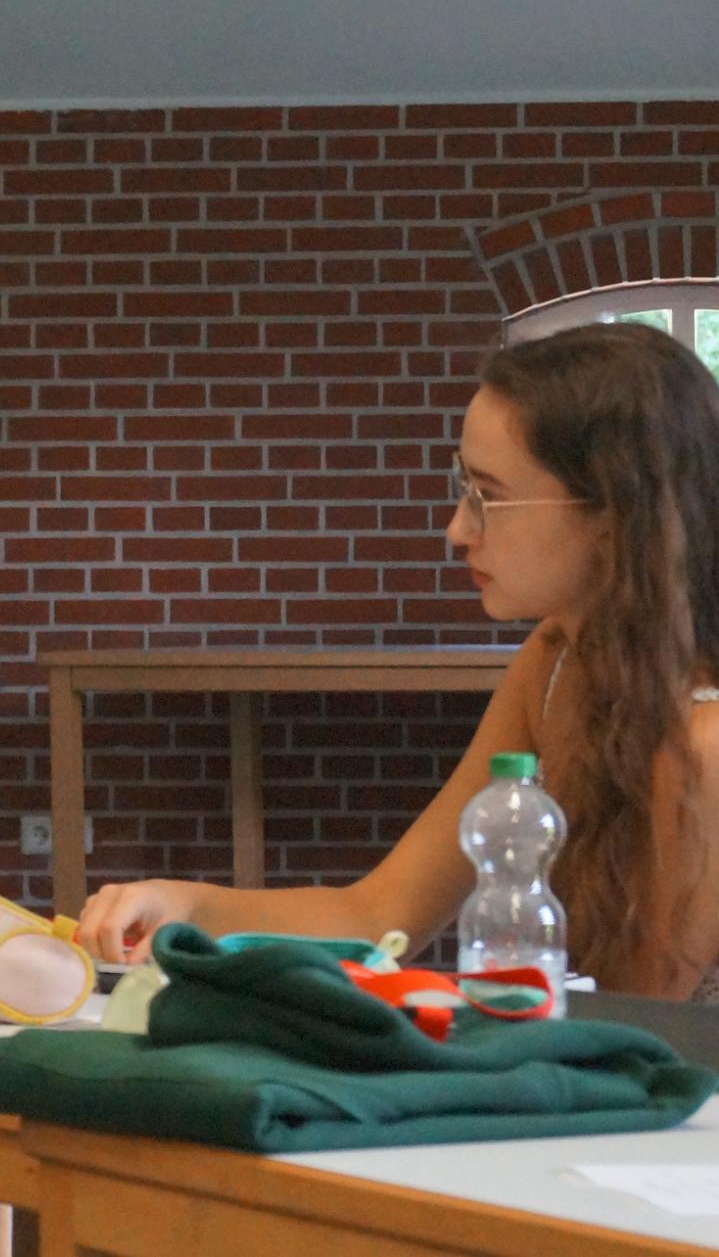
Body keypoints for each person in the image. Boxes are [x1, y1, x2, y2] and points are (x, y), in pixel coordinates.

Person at [78, 322, 719, 1004]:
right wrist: (183, 904)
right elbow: (378, 916)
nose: (457, 529)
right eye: (462, 487)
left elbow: (637, 1032)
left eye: (489, 496)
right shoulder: (554, 662)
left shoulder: (702, 746)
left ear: (613, 514)